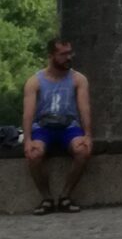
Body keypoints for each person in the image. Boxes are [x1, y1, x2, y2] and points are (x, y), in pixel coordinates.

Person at [22, 38, 93, 213]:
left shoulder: (78, 79)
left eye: (70, 53)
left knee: (83, 151)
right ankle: (46, 198)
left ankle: (65, 196)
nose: (69, 57)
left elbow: (84, 108)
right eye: (63, 54)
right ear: (51, 56)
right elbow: (28, 113)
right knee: (34, 154)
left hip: (68, 127)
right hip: (43, 127)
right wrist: (28, 140)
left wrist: (88, 135)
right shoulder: (35, 81)